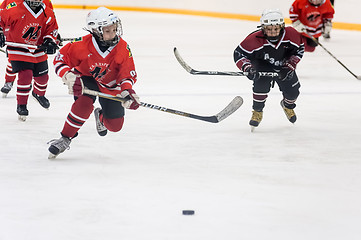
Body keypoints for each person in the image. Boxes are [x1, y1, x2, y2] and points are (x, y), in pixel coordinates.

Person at [48, 7, 140, 159]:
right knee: (83, 104)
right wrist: (68, 76)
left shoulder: (123, 47)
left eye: (115, 29)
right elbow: (60, 59)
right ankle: (65, 138)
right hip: (86, 79)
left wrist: (127, 92)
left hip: (110, 86)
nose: (113, 34)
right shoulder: (82, 44)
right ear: (96, 31)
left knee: (115, 126)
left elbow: (126, 75)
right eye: (108, 31)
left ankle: (101, 116)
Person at [233, 9, 304, 131]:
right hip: (262, 65)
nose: (272, 32)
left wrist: (290, 65)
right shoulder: (254, 39)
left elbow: (299, 49)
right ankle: (257, 111)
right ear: (262, 28)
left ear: (282, 27)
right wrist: (248, 68)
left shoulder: (292, 35)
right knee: (261, 86)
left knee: (293, 92)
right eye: (268, 29)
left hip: (283, 65)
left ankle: (287, 105)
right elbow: (239, 54)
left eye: (276, 29)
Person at [0, 0, 59, 121]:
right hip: (18, 48)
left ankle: (38, 94)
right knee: (25, 75)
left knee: (43, 78)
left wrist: (50, 40)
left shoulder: (47, 10)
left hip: (37, 48)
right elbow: (1, 18)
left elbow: (52, 28)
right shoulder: (14, 8)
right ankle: (22, 105)